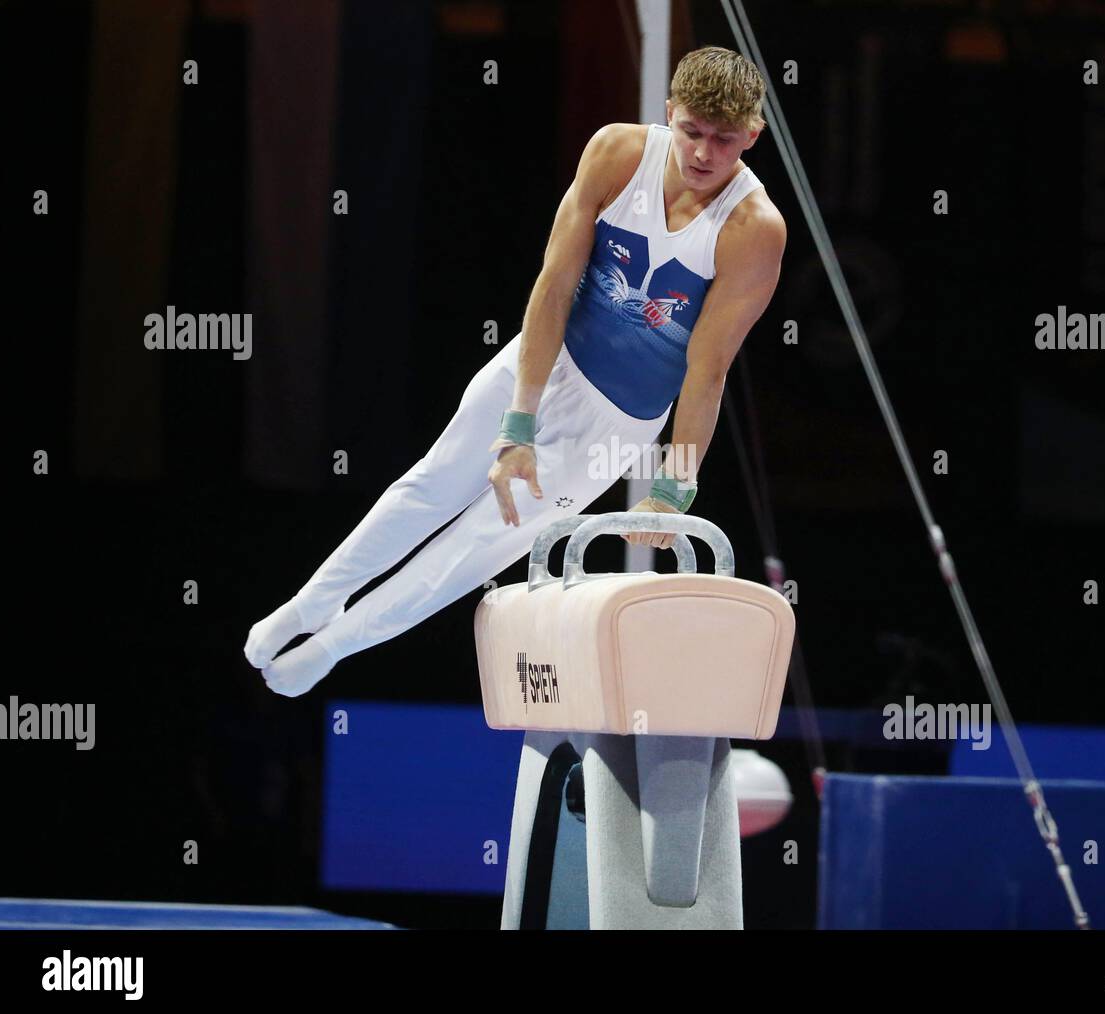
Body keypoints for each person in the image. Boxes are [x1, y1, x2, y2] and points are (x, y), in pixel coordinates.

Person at [244, 45, 787, 698]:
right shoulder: (618, 154)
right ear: (669, 112)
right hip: (543, 357)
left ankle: (335, 646)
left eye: (723, 140)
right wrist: (519, 420)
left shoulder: (754, 229)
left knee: (475, 546)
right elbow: (554, 284)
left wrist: (674, 487)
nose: (702, 153)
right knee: (431, 487)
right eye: (691, 131)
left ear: (752, 136)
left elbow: (708, 368)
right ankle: (311, 605)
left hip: (612, 423)